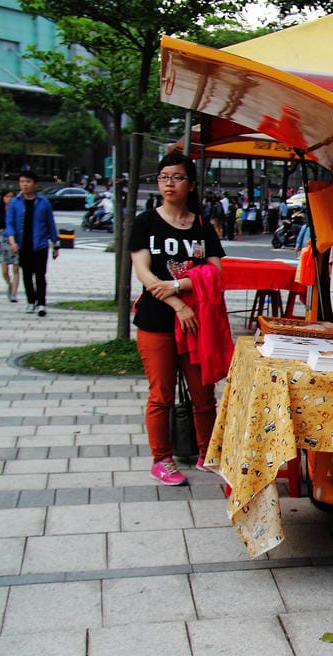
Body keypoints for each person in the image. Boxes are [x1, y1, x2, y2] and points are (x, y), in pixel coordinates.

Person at [131, 153, 234, 486]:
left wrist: (177, 285)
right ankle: (161, 459)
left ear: (190, 184)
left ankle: (208, 454)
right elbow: (145, 274)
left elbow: (216, 273)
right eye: (164, 177)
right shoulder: (145, 222)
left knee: (204, 396)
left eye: (176, 177)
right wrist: (178, 304)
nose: (169, 183)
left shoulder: (202, 227)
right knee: (160, 395)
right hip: (157, 321)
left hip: (196, 325)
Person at [5, 170, 60, 316]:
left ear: (35, 184)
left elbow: (50, 224)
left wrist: (55, 244)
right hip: (23, 245)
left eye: (28, 182)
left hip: (40, 244)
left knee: (40, 275)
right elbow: (9, 224)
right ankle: (31, 301)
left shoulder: (44, 202)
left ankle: (41, 303)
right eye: (22, 182)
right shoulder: (14, 203)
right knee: (27, 275)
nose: (25, 185)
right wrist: (12, 242)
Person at [0, 190, 19, 302]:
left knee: (16, 269)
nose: (9, 199)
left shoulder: (17, 210)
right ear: (2, 197)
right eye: (7, 196)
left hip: (16, 240)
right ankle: (10, 285)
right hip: (2, 240)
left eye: (11, 196)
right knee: (4, 271)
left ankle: (14, 293)